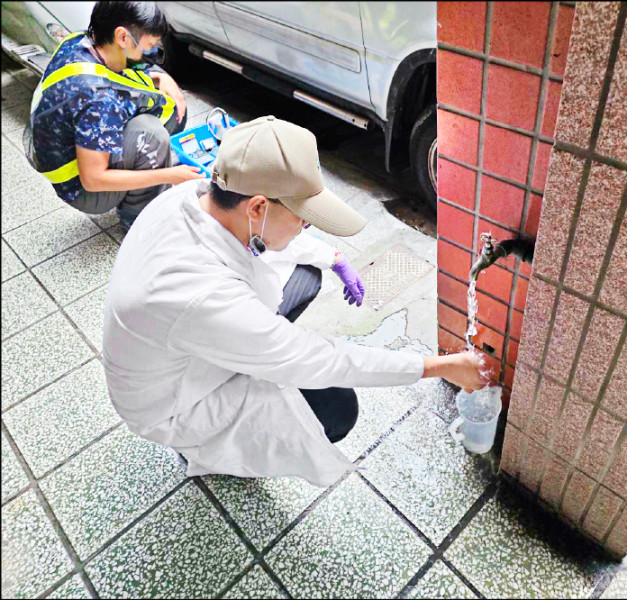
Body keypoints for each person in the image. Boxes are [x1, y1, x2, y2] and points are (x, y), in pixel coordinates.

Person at [102, 115, 489, 487]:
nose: (306, 227)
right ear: (257, 206)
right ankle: (203, 451)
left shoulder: (194, 196)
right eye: (303, 218)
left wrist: (334, 259)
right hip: (174, 401)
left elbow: (274, 238)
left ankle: (252, 362)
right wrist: (437, 367)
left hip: (184, 343)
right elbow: (323, 360)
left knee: (305, 277)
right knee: (336, 409)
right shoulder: (202, 294)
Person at [26, 1, 205, 230]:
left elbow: (120, 74)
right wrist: (169, 175)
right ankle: (139, 222)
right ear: (122, 37)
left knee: (169, 113)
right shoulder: (99, 99)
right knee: (151, 133)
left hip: (69, 160)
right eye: (150, 46)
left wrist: (162, 77)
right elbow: (93, 180)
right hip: (83, 189)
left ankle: (142, 174)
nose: (152, 53)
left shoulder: (79, 42)